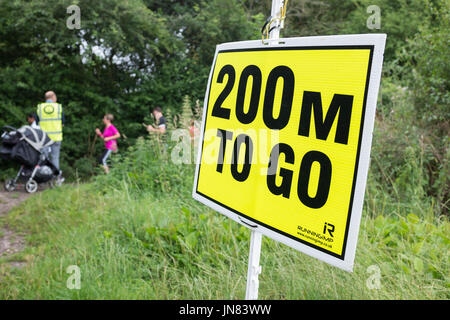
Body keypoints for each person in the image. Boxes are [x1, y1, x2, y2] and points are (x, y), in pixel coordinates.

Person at [37, 91, 65, 179]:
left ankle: (43, 177)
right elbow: (62, 123)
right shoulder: (58, 107)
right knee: (55, 157)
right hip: (56, 137)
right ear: (53, 97)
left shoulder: (40, 108)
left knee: (43, 158)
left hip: (44, 138)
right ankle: (56, 179)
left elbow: (37, 122)